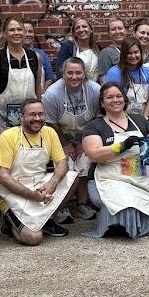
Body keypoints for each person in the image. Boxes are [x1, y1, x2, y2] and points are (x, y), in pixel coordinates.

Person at [81, 83, 149, 239]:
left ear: (124, 99)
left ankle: (126, 225)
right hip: (109, 179)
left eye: (118, 96)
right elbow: (94, 154)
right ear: (102, 102)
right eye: (109, 97)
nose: (115, 100)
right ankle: (116, 226)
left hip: (138, 178)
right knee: (128, 202)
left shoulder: (139, 121)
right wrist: (122, 146)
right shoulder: (94, 126)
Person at [0, 97, 76, 245]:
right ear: (21, 116)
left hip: (41, 185)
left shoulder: (49, 132)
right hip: (14, 193)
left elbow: (63, 163)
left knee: (73, 177)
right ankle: (8, 219)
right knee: (33, 238)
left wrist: (52, 183)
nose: (37, 118)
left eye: (41, 114)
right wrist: (31, 195)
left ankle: (48, 220)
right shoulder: (8, 136)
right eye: (32, 114)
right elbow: (1, 176)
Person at [43, 56, 102, 221]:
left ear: (85, 74)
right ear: (63, 74)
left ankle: (83, 204)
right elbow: (51, 123)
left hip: (86, 134)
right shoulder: (52, 94)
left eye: (78, 73)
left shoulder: (95, 90)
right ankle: (62, 205)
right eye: (70, 73)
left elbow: (97, 118)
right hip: (60, 136)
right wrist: (66, 145)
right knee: (65, 166)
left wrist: (85, 142)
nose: (74, 77)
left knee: (84, 163)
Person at [0, 17, 43, 141]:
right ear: (4, 34)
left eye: (19, 29)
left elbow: (38, 89)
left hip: (29, 121)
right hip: (2, 120)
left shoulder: (35, 57)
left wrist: (40, 115)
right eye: (12, 30)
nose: (16, 33)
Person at [57, 15, 101, 80]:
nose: (81, 30)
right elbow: (60, 71)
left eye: (84, 26)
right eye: (77, 28)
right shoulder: (68, 47)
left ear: (91, 30)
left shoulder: (99, 49)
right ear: (74, 33)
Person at [21, 21, 56, 90]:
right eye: (24, 31)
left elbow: (49, 77)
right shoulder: (11, 54)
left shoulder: (41, 54)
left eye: (30, 31)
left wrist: (43, 94)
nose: (27, 34)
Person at [95, 18, 128, 82]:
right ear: (109, 33)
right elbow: (103, 81)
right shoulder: (105, 53)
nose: (117, 32)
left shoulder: (132, 50)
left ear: (126, 31)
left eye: (120, 28)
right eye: (113, 29)